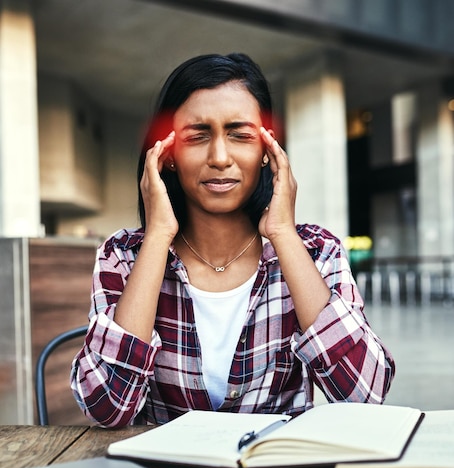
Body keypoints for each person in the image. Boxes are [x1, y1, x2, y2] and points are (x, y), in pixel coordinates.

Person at [71, 52, 395, 428]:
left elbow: (364, 396)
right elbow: (106, 409)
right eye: (198, 136)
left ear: (266, 152)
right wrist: (158, 236)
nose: (220, 157)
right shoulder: (123, 256)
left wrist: (284, 235)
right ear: (168, 155)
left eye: (240, 135)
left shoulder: (316, 252)